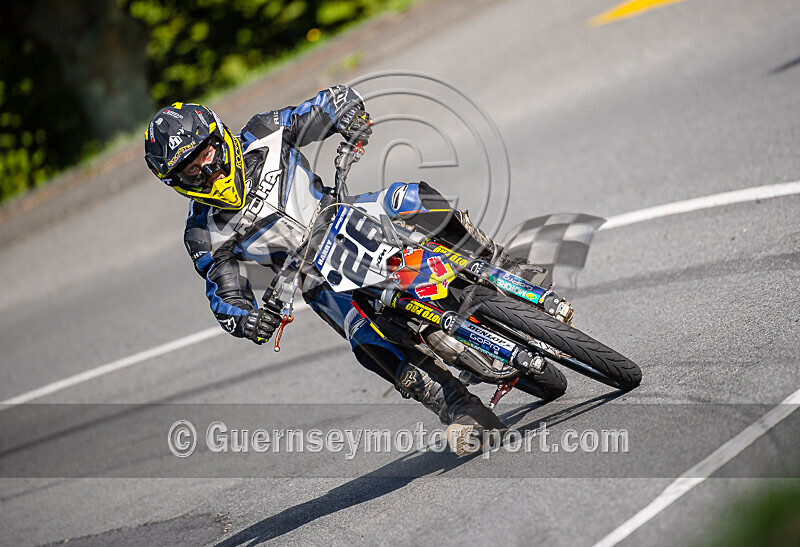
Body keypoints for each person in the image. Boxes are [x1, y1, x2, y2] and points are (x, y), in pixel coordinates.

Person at [144, 85, 541, 454]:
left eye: (205, 154)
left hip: (345, 216)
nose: (206, 171)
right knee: (364, 340)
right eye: (190, 170)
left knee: (410, 198)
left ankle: (497, 261)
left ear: (220, 137)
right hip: (314, 280)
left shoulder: (265, 131)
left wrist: (346, 113)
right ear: (175, 182)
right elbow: (225, 294)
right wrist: (248, 320)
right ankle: (458, 406)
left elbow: (324, 105)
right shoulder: (203, 232)